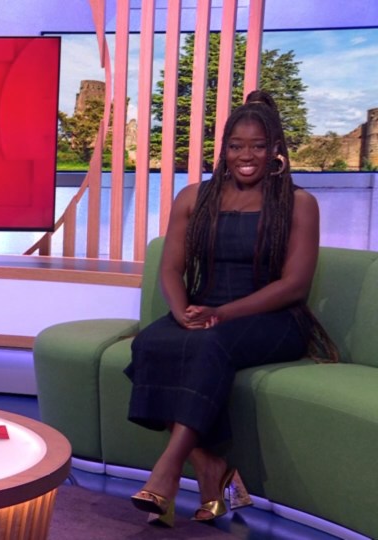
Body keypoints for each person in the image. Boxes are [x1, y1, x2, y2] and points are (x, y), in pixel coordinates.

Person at [124, 90, 337, 526]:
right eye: (236, 146)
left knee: (208, 345)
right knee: (151, 343)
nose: (247, 155)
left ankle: (166, 473)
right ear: (223, 149)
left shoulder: (298, 204)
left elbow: (294, 285)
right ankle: (211, 468)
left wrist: (223, 314)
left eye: (258, 146)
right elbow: (171, 268)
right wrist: (184, 311)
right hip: (207, 310)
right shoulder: (194, 198)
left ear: (275, 150)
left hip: (273, 319)